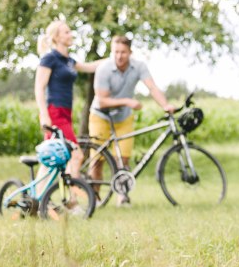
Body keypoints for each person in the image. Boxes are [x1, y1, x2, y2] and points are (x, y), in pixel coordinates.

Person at [89, 35, 175, 206]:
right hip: (101, 116)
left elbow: (152, 87)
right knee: (97, 160)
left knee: (124, 160)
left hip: (124, 118)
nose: (119, 56)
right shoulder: (104, 69)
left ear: (130, 52)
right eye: (115, 52)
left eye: (123, 52)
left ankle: (123, 196)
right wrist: (127, 101)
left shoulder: (139, 66)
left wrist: (165, 105)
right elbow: (102, 100)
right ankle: (95, 198)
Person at [35, 20, 101, 194]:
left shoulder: (69, 61)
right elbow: (39, 87)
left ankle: (35, 199)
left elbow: (89, 67)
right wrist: (44, 114)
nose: (71, 34)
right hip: (54, 112)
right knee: (76, 154)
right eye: (66, 32)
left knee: (51, 159)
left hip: (66, 114)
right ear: (56, 37)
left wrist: (113, 59)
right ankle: (71, 201)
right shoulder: (50, 58)